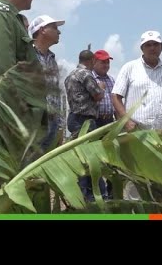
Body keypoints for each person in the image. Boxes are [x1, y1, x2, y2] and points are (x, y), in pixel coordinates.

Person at [64, 50, 108, 201]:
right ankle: (94, 195)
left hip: (73, 117)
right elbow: (97, 95)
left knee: (81, 157)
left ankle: (85, 194)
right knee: (90, 158)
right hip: (85, 120)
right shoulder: (86, 74)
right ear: (93, 60)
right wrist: (101, 87)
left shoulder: (70, 75)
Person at [112, 31, 162, 131]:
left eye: (155, 44)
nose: (152, 48)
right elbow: (116, 96)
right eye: (148, 45)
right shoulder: (129, 68)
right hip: (138, 132)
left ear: (161, 47)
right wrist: (126, 121)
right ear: (142, 48)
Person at [28, 14, 65, 154]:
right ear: (42, 30)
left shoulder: (52, 59)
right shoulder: (27, 55)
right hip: (35, 123)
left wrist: (60, 126)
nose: (59, 32)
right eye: (55, 28)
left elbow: (57, 94)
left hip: (52, 123)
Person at [92, 49, 116, 199]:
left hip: (109, 122)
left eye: (107, 62)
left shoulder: (112, 80)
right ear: (94, 62)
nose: (106, 64)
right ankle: (98, 194)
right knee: (96, 159)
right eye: (103, 62)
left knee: (112, 159)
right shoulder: (89, 79)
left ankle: (112, 193)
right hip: (95, 121)